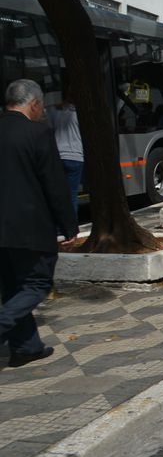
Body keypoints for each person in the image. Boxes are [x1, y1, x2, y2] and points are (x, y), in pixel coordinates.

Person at [0, 80, 78, 367]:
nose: (41, 111)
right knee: (36, 284)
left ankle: (27, 348)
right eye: (41, 106)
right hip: (30, 228)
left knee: (12, 287)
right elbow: (54, 185)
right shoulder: (38, 133)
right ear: (33, 103)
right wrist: (68, 226)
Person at [47, 90, 84, 215]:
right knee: (72, 195)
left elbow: (49, 130)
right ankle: (71, 226)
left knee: (58, 194)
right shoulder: (81, 114)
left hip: (58, 156)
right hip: (75, 156)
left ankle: (58, 225)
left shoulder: (54, 111)